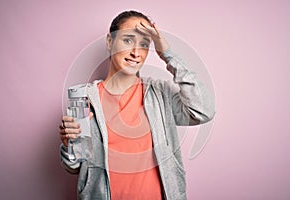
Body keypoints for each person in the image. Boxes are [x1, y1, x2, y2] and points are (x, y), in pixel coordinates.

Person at [59, 10, 215, 200]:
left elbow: (203, 111)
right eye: (127, 40)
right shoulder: (85, 99)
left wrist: (167, 53)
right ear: (109, 41)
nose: (136, 52)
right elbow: (73, 167)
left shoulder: (161, 94)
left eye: (144, 44)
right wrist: (69, 144)